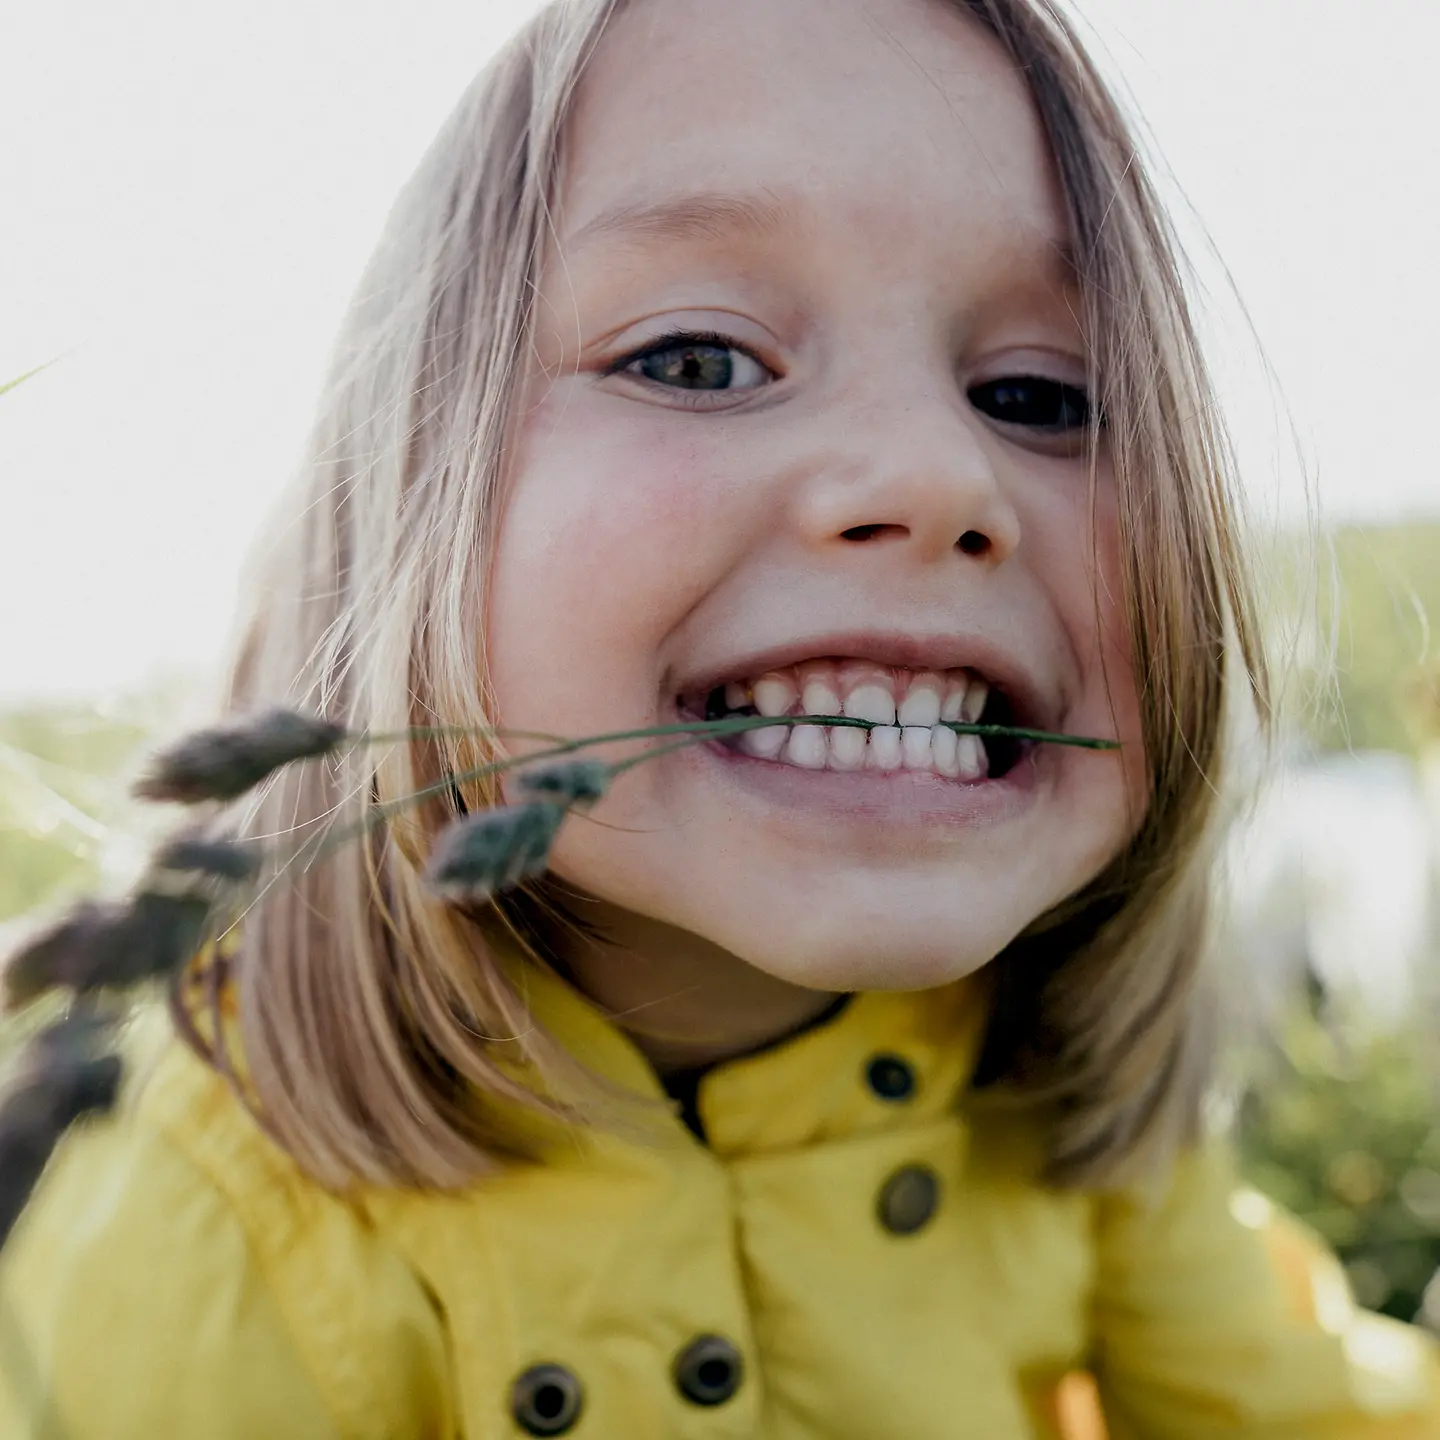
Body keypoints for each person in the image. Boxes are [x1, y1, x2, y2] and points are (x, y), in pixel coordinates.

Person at [3, 0, 1439, 1434]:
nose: (935, 475)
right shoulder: (199, 1225)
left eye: (1038, 394)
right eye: (697, 359)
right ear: (396, 517)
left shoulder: (1050, 1106)